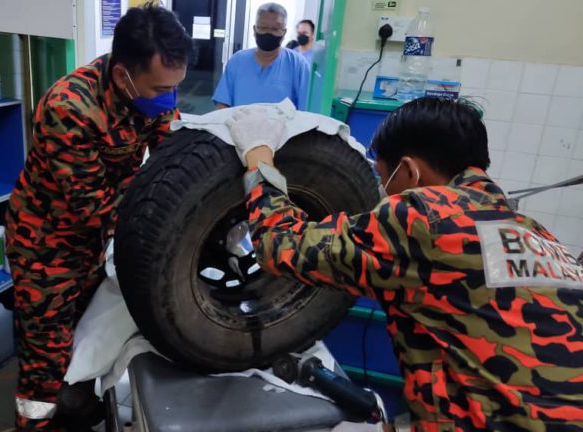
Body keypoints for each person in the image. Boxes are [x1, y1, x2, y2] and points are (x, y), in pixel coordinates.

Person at [227, 98, 583, 431]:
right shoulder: (537, 234)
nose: (383, 189)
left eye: (384, 177)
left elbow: (280, 245)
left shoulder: (423, 216)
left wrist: (259, 159)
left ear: (410, 171)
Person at [5, 4, 192, 431]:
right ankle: (34, 424)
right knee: (45, 358)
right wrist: (158, 206)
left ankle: (78, 415)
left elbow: (171, 154)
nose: (168, 100)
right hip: (45, 247)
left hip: (93, 244)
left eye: (174, 89)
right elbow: (94, 207)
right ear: (124, 73)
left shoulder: (149, 94)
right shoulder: (69, 107)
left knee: (88, 338)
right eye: (160, 89)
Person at [213, 2, 310, 110]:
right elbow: (222, 103)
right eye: (263, 28)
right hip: (239, 126)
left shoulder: (298, 65)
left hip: (283, 127)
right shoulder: (237, 61)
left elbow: (305, 109)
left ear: (284, 32)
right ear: (254, 30)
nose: (268, 33)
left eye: (275, 29)